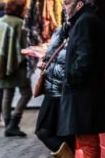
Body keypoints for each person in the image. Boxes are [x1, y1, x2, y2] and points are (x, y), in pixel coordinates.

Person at [57, 0, 105, 158]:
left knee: (87, 139)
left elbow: (84, 56)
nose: (64, 7)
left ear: (79, 5)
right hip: (85, 90)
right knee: (84, 137)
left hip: (83, 92)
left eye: (67, 3)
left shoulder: (85, 22)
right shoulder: (83, 20)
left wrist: (71, 79)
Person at [0, 0, 32, 137]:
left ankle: (8, 125)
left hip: (3, 63)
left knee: (7, 93)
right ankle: (14, 123)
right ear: (20, 9)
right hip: (17, 65)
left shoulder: (2, 21)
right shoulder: (19, 23)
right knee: (26, 93)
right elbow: (23, 46)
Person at [35, 25, 75, 158]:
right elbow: (52, 52)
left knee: (54, 133)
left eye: (68, 4)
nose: (66, 8)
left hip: (63, 92)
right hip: (51, 90)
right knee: (46, 132)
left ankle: (69, 156)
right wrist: (45, 61)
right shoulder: (61, 29)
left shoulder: (81, 30)